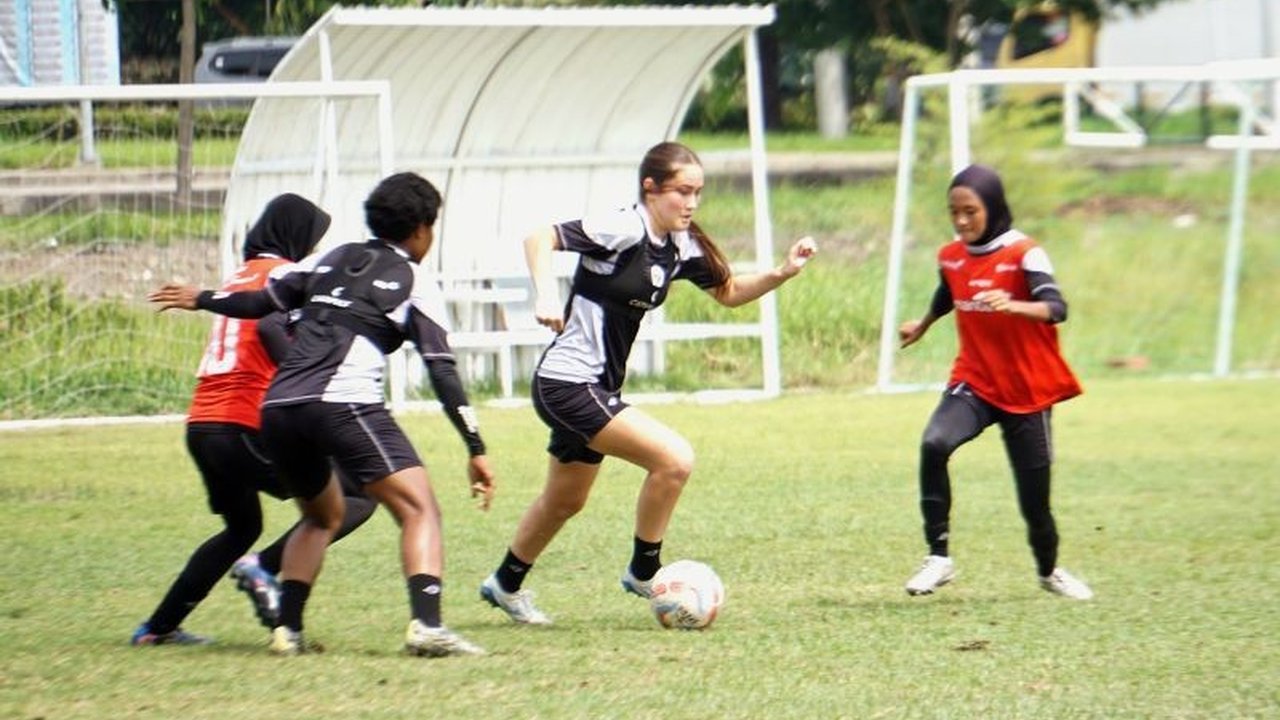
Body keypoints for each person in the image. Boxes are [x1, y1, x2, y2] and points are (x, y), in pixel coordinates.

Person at [149, 172, 497, 656]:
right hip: (343, 401)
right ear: (421, 228)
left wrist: (202, 297)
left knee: (322, 515)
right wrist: (475, 446)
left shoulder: (326, 259)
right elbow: (442, 369)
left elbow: (262, 302)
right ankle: (428, 627)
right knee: (419, 509)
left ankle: (288, 632)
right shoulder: (414, 279)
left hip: (277, 409)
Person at [478, 141, 817, 625]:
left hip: (595, 388)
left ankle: (505, 584)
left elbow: (729, 292)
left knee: (565, 500)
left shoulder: (680, 244)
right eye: (683, 191)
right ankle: (644, 571)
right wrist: (546, 294)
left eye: (698, 192)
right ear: (651, 188)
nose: (692, 203)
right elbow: (539, 238)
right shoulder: (623, 227)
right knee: (674, 460)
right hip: (568, 383)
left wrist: (784, 272)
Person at [131, 193, 379, 645]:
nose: (312, 249)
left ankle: (157, 628)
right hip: (243, 424)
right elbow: (267, 328)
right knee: (356, 492)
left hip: (203, 425)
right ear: (294, 235)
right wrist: (308, 379)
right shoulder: (281, 274)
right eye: (312, 238)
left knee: (241, 526)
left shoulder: (242, 273)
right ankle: (263, 570)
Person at [897, 163, 1093, 601]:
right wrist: (924, 324)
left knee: (1035, 504)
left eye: (971, 211)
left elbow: (1056, 308)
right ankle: (938, 558)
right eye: (954, 212)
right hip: (976, 381)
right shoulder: (950, 255)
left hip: (1026, 391)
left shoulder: (1025, 253)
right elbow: (949, 291)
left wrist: (1013, 305)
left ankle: (1049, 571)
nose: (962, 221)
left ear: (994, 207)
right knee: (934, 444)